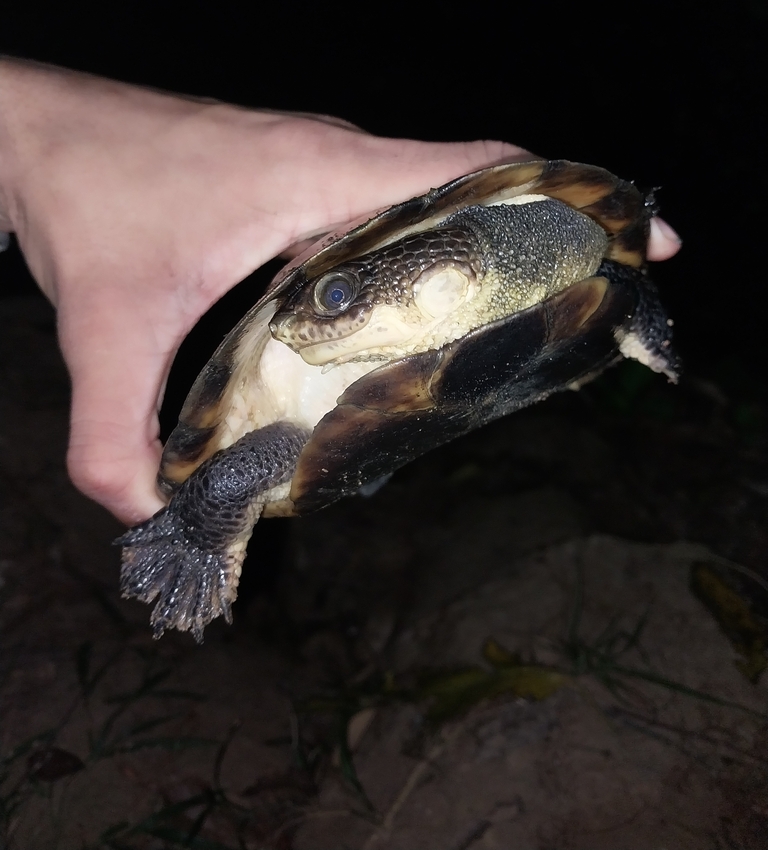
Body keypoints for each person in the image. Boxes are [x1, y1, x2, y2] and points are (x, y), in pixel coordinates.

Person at [0, 57, 681, 526]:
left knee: (619, 273)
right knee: (230, 483)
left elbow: (613, 251)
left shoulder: (554, 225)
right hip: (308, 429)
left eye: (333, 296)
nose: (303, 322)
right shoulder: (290, 371)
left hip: (515, 340)